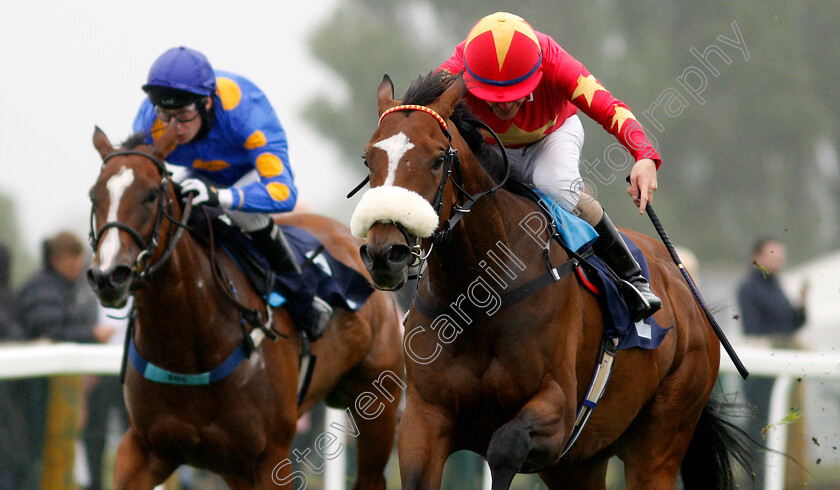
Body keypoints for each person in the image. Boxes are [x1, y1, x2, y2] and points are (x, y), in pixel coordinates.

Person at [437, 11, 661, 321]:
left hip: (552, 136)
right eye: (493, 96)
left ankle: (631, 278)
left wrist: (645, 155)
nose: (504, 105)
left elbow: (610, 108)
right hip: (490, 148)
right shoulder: (455, 71)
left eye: (514, 95)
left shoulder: (555, 61)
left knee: (556, 189)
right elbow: (414, 118)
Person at [133, 46, 331, 339]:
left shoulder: (246, 110)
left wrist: (221, 196)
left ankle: (304, 301)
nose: (174, 126)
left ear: (207, 104)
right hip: (200, 175)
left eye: (185, 113)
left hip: (250, 175)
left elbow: (283, 193)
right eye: (165, 113)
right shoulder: (149, 120)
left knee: (242, 212)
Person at [15, 231, 102, 489]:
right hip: (36, 388)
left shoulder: (64, 287)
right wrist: (92, 335)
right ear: (56, 259)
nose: (77, 269)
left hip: (53, 386)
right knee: (38, 451)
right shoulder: (43, 288)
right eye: (72, 263)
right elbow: (51, 330)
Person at [736, 236, 808, 487]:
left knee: (782, 426)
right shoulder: (749, 287)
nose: (779, 261)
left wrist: (802, 305)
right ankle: (754, 481)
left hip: (782, 361)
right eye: (773, 255)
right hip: (762, 366)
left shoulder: (776, 285)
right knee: (760, 427)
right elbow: (755, 328)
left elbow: (791, 323)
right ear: (758, 257)